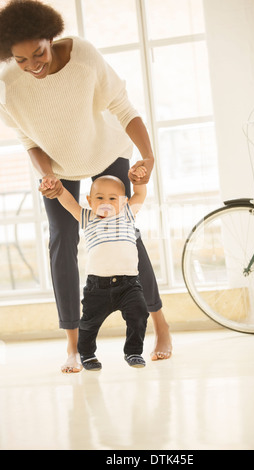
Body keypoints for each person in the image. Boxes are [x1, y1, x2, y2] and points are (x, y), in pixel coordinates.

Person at [0, 0, 172, 373]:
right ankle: (74, 346)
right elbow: (29, 140)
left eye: (38, 53)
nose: (32, 65)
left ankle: (161, 326)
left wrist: (147, 155)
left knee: (124, 235)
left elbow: (125, 109)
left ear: (51, 37)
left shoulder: (84, 59)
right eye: (21, 59)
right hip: (59, 167)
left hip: (107, 152)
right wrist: (47, 177)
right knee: (62, 239)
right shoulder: (9, 85)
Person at [40, 168, 149, 370]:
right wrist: (58, 188)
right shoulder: (87, 217)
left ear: (124, 201)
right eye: (99, 197)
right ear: (90, 201)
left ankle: (133, 351)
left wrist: (140, 179)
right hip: (97, 287)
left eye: (112, 198)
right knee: (89, 324)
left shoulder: (127, 214)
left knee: (140, 313)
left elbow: (140, 193)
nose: (105, 202)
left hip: (129, 285)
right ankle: (87, 354)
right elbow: (69, 202)